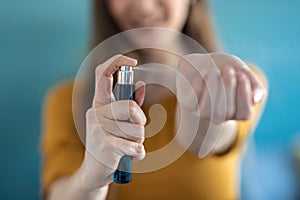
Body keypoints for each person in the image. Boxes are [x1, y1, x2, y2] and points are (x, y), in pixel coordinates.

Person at [40, 0, 267, 199]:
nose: (144, 6)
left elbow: (203, 140)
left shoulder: (238, 82)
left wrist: (205, 104)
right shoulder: (65, 101)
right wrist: (90, 179)